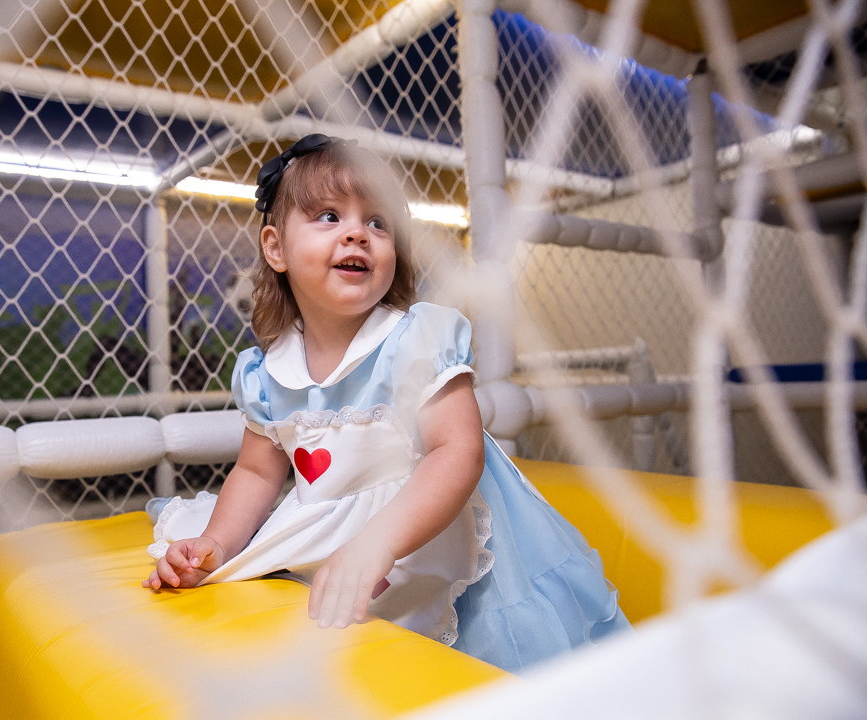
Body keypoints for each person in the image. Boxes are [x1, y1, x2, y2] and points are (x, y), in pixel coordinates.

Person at [142, 135, 630, 674]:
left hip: (437, 531)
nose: (358, 233)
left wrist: (376, 543)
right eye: (329, 216)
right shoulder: (267, 373)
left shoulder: (416, 340)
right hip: (341, 538)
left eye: (378, 223)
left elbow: (457, 452)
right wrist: (215, 543)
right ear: (276, 249)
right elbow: (257, 474)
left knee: (493, 653)